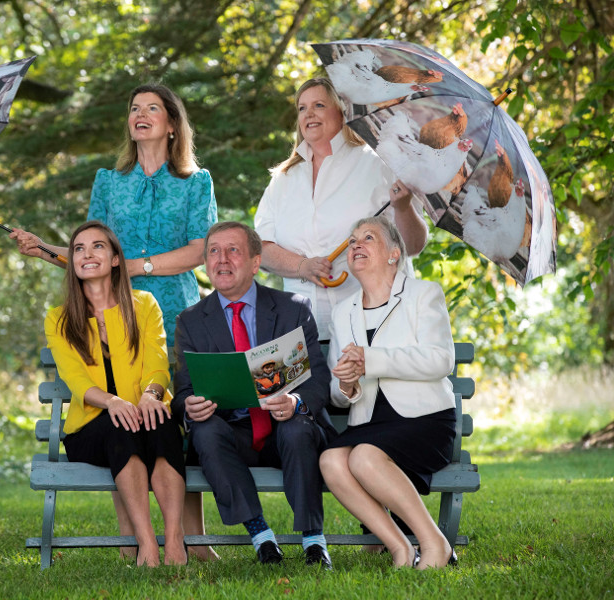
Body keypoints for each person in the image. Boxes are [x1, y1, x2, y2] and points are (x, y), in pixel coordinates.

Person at [11, 83, 218, 560]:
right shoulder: (109, 181)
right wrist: (42, 246)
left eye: (152, 109)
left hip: (177, 315)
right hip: (112, 314)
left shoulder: (195, 182)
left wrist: (139, 267)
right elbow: (89, 253)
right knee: (120, 413)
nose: (140, 115)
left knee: (174, 421)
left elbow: (197, 250)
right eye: (133, 109)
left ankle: (191, 540)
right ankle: (133, 539)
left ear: (171, 125)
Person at [173, 221, 337, 568]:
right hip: (234, 435)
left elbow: (319, 379)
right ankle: (262, 537)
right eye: (213, 251)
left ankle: (313, 541)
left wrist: (296, 401)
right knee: (205, 430)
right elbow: (184, 390)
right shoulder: (191, 321)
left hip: (286, 430)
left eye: (233, 250)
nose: (222, 260)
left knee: (297, 426)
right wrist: (190, 406)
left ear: (255, 262)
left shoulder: (293, 307)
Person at [319, 216, 458, 570]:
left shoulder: (423, 294)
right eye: (351, 241)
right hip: (369, 421)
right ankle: (399, 547)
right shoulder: (342, 312)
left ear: (394, 254)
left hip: (424, 420)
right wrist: (347, 384)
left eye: (368, 238)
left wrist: (371, 360)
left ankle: (434, 544)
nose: (356, 246)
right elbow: (339, 392)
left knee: (363, 457)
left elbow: (441, 360)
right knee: (330, 460)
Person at [45, 221, 186, 567]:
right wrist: (113, 402)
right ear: (73, 262)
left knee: (163, 423)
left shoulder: (144, 305)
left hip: (143, 415)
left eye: (97, 247)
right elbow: (76, 380)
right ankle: (146, 544)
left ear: (115, 260)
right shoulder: (58, 319)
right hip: (91, 429)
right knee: (119, 426)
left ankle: (174, 542)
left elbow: (157, 362)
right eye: (79, 248)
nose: (87, 254)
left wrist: (152, 395)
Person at [254, 77, 428, 339]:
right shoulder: (283, 179)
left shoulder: (380, 164)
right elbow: (261, 249)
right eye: (302, 108)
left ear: (342, 111)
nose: (309, 114)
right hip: (301, 332)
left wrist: (403, 209)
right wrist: (303, 266)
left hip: (375, 327)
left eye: (319, 105)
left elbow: (413, 246)